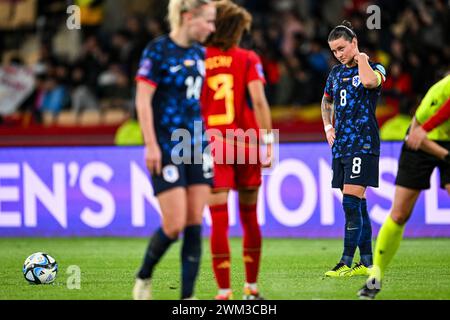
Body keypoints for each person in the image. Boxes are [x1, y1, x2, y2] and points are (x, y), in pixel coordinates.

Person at [132, 0, 216, 300]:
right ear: (188, 17)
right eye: (208, 20)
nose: (212, 27)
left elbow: (197, 102)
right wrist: (150, 144)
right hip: (167, 145)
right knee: (174, 224)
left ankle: (187, 298)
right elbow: (143, 100)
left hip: (196, 145)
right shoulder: (158, 50)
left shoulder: (199, 53)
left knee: (195, 223)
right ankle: (143, 276)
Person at [201, 0, 273, 300]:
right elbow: (258, 101)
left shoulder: (197, 57)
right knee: (249, 217)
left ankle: (223, 291)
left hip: (210, 143)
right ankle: (252, 289)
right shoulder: (247, 58)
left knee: (218, 218)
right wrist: (268, 143)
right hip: (246, 141)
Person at [358, 74, 450, 300]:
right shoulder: (441, 91)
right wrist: (446, 155)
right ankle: (375, 278)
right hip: (424, 145)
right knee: (399, 214)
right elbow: (415, 135)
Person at [321, 21, 386, 278]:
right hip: (341, 146)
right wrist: (328, 126)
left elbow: (370, 83)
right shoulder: (335, 74)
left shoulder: (374, 67)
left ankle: (346, 261)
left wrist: (361, 58)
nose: (338, 54)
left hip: (364, 143)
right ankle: (367, 262)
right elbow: (327, 100)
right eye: (334, 51)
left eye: (342, 48)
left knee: (350, 202)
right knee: (357, 205)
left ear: (354, 42)